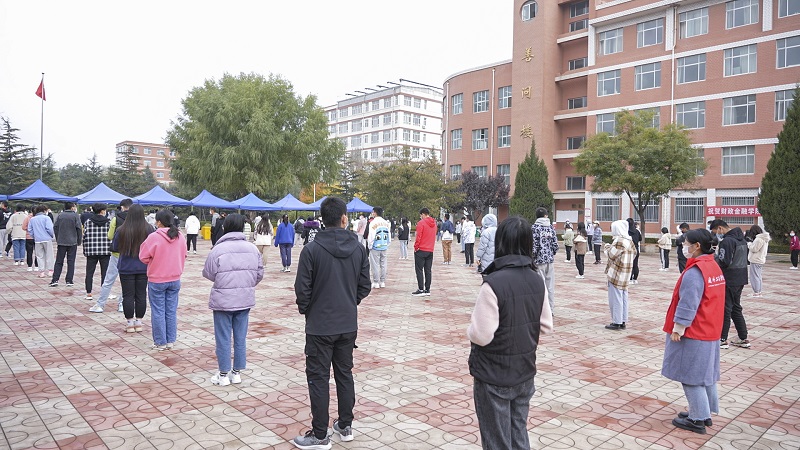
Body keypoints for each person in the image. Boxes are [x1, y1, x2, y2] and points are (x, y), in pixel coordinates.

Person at [468, 216, 554, 450]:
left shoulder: (493, 283)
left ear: (501, 242)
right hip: (524, 371)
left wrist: (470, 329)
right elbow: (546, 325)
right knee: (518, 433)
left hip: (494, 375)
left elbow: (481, 335)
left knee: (497, 441)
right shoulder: (537, 279)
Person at [292, 197, 371, 449]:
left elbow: (302, 289)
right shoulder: (358, 248)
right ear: (344, 218)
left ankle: (320, 434)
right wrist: (349, 302)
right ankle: (345, 425)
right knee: (344, 374)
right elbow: (365, 285)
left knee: (318, 378)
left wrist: (309, 310)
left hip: (320, 326)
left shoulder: (311, 250)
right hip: (347, 324)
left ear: (322, 220)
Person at [662, 229, 725, 435]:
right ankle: (704, 412)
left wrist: (678, 328)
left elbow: (688, 303)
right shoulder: (713, 266)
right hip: (710, 328)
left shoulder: (695, 272)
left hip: (695, 331)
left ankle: (697, 419)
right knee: (705, 374)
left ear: (697, 246)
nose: (684, 246)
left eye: (686, 243)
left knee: (690, 375)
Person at [204, 214, 264, 386]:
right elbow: (259, 273)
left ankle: (223, 374)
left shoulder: (218, 249)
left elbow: (208, 273)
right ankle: (236, 373)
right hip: (244, 298)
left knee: (223, 337)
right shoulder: (252, 249)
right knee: (240, 337)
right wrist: (246, 284)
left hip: (223, 300)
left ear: (225, 227)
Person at [139, 210, 187, 351]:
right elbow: (184, 254)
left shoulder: (153, 237)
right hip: (175, 278)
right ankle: (170, 340)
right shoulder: (180, 236)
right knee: (171, 311)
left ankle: (160, 342)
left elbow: (143, 256)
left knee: (158, 311)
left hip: (157, 279)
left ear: (159, 222)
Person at [111, 205, 154, 333]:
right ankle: (139, 322)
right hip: (143, 267)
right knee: (141, 294)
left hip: (126, 267)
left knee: (127, 295)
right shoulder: (149, 229)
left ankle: (130, 323)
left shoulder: (121, 229)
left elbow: (114, 247)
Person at [709, 219, 750, 349]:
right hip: (741, 277)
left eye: (715, 231)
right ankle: (743, 338)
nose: (716, 234)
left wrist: (713, 257)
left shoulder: (727, 241)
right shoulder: (742, 240)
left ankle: (722, 339)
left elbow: (724, 261)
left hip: (730, 278)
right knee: (736, 308)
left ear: (720, 228)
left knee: (726, 308)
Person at [91, 198, 132, 313]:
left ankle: (100, 304)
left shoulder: (115, 218)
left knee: (109, 280)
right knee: (126, 281)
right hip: (130, 254)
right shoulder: (136, 219)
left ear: (122, 207)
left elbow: (110, 236)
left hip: (117, 253)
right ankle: (122, 304)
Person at [604, 219, 637, 330]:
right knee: (623, 297)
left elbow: (611, 254)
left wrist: (607, 247)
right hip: (626, 273)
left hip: (616, 273)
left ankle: (616, 322)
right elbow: (635, 254)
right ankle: (622, 320)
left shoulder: (619, 241)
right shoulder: (629, 241)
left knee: (615, 298)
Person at [531, 207, 559, 313]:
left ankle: (542, 310)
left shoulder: (534, 228)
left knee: (540, 285)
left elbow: (534, 245)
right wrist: (551, 253)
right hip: (550, 260)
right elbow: (555, 244)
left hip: (539, 260)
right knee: (550, 286)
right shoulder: (551, 227)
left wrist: (533, 257)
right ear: (546, 215)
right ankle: (550, 309)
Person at [82, 203, 112, 300]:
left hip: (91, 251)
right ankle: (104, 293)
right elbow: (111, 236)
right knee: (105, 273)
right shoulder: (109, 222)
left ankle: (89, 293)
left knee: (89, 272)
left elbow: (84, 236)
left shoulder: (88, 222)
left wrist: (85, 250)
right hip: (105, 251)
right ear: (102, 211)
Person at [49, 202, 82, 287]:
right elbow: (79, 228)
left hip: (61, 241)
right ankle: (69, 280)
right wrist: (79, 240)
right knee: (71, 262)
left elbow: (55, 227)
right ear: (72, 207)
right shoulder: (75, 216)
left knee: (59, 261)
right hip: (72, 242)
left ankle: (55, 279)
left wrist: (58, 238)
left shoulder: (60, 215)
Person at [412, 207, 437, 296]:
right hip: (430, 249)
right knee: (428, 270)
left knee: (419, 269)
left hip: (421, 249)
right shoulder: (434, 224)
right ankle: (427, 289)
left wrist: (416, 247)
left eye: (421, 215)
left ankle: (420, 289)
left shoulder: (421, 223)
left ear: (423, 214)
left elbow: (418, 236)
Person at [28, 205, 55, 278]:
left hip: (37, 240)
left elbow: (30, 230)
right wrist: (51, 235)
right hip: (47, 239)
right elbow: (50, 229)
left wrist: (34, 236)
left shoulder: (32, 219)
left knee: (39, 256)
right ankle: (50, 271)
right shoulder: (47, 218)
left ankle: (41, 272)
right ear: (44, 210)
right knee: (49, 255)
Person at [367, 207, 391, 289]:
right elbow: (389, 235)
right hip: (384, 246)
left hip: (375, 246)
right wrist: (387, 244)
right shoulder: (386, 223)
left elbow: (371, 236)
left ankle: (376, 282)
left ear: (375, 212)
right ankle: (382, 281)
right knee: (383, 264)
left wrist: (370, 245)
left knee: (375, 265)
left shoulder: (373, 223)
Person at [746, 225, 770, 298]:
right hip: (760, 259)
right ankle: (758, 292)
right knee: (758, 276)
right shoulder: (764, 238)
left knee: (754, 277)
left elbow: (754, 249)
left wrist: (749, 244)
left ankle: (756, 292)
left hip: (755, 260)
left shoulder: (758, 239)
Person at [627, 218, 642, 284]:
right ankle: (635, 279)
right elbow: (640, 239)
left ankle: (630, 278)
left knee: (629, 264)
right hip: (636, 249)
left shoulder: (627, 231)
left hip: (629, 249)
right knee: (635, 264)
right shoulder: (637, 231)